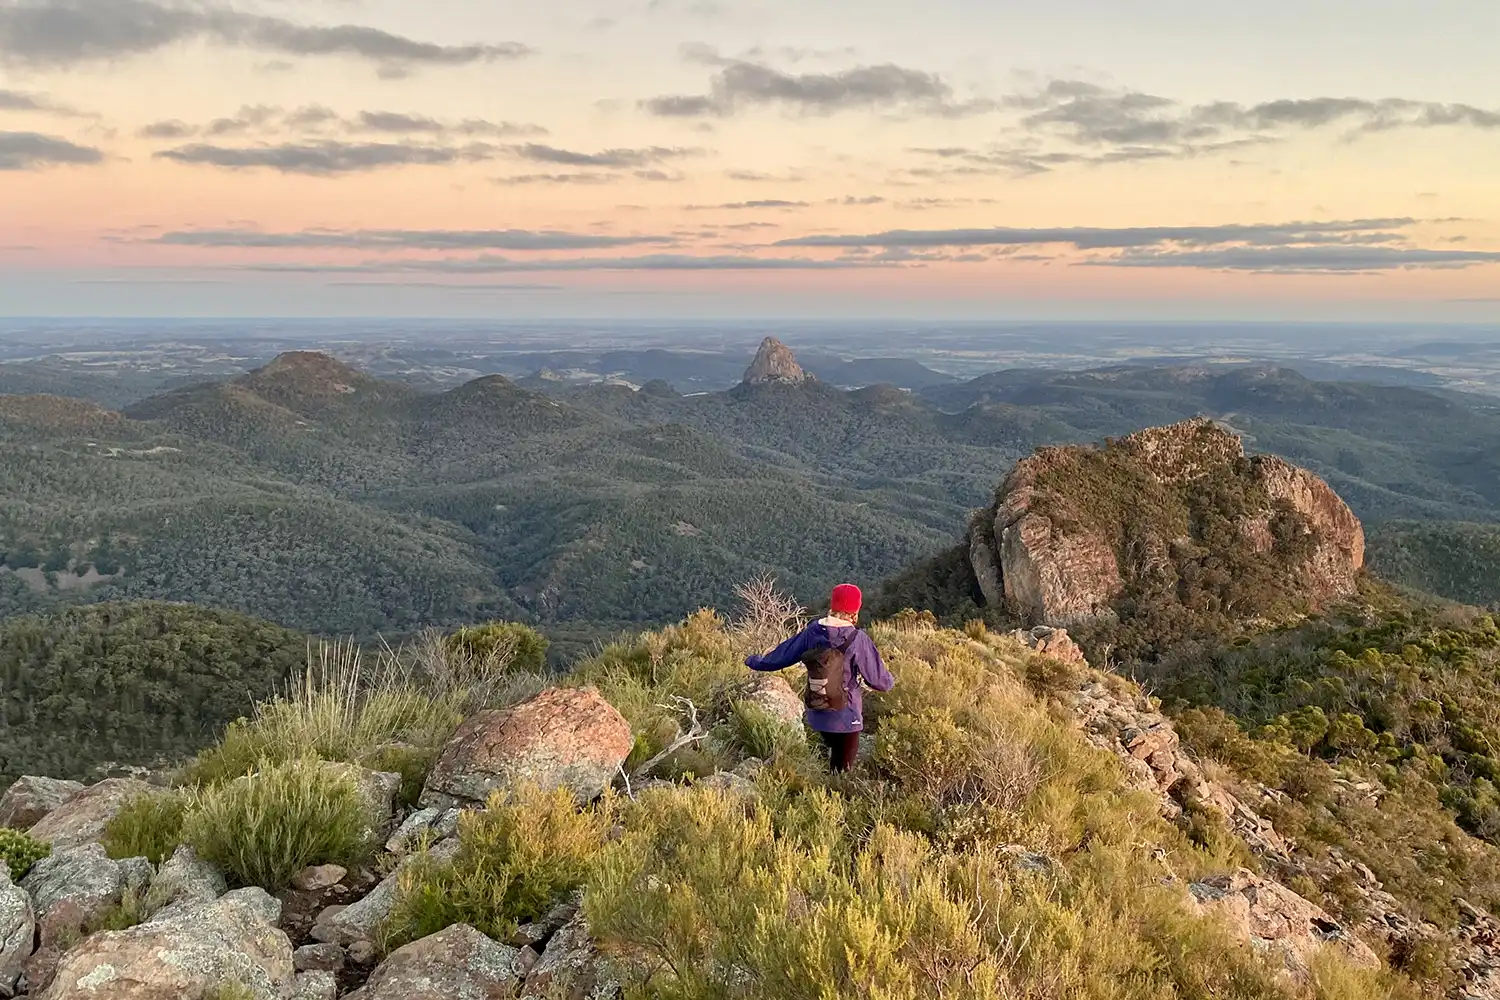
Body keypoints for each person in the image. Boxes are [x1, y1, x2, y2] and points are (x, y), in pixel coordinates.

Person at [745, 583, 893, 772]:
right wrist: (893, 681)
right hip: (847, 719)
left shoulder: (812, 632)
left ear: (833, 606)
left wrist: (754, 661)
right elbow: (879, 681)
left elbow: (781, 657)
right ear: (855, 611)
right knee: (841, 773)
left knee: (817, 765)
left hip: (817, 715)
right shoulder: (858, 639)